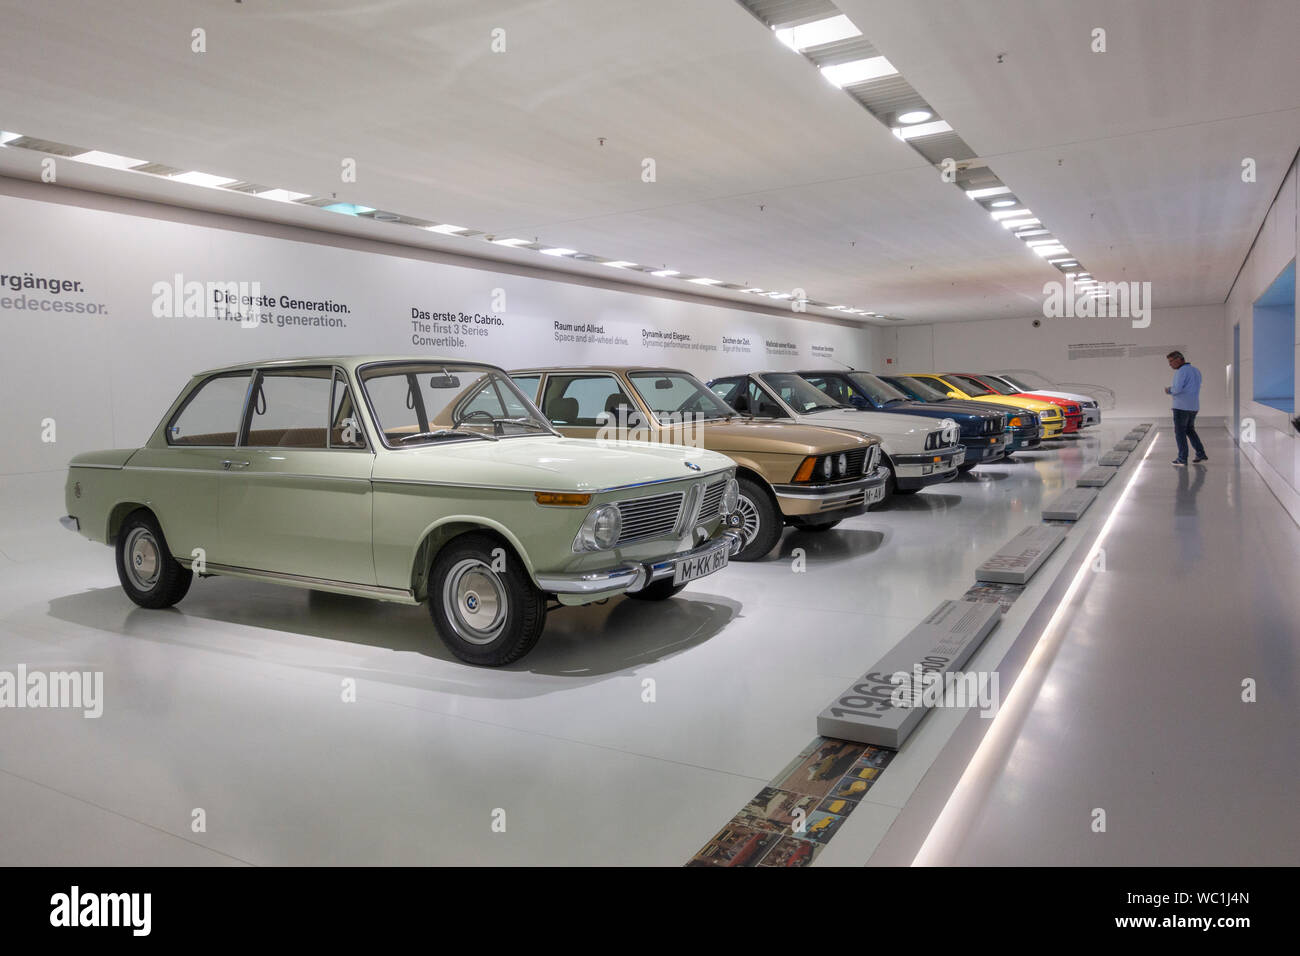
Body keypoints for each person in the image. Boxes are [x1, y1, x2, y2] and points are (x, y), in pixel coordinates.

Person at [1164, 351, 1206, 465]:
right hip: (1193, 406)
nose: (1170, 364)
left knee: (1180, 433)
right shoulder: (1196, 370)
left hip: (1181, 407)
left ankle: (1182, 458)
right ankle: (1200, 453)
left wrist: (1169, 390)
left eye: (1171, 361)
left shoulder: (1181, 372)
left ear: (1179, 359)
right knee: (1190, 430)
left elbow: (1177, 389)